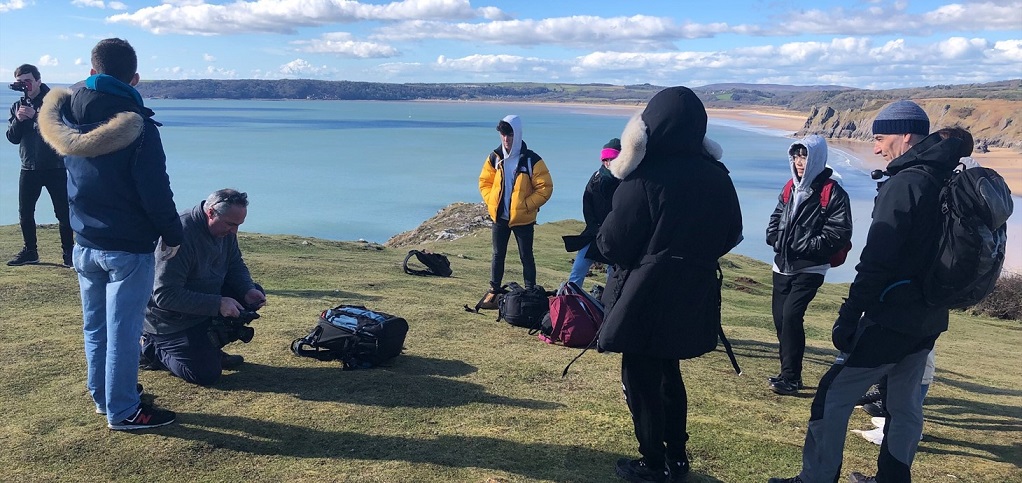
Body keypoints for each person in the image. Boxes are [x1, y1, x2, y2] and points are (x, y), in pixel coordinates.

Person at [770, 100, 963, 483]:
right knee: (904, 402)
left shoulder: (906, 183)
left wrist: (849, 315)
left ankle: (816, 478)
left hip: (891, 315)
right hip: (929, 316)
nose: (876, 147)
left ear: (905, 135)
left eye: (880, 137)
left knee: (832, 395)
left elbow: (876, 261)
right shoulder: (948, 177)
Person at [595, 87, 743, 483]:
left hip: (645, 293)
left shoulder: (644, 178)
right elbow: (732, 232)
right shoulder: (717, 176)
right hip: (693, 291)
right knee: (669, 374)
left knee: (642, 377)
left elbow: (611, 243)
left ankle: (653, 462)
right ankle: (677, 458)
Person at [37, 38, 183, 430]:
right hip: (128, 247)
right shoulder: (139, 128)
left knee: (96, 326)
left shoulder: (62, 121)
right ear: (134, 78)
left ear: (91, 72)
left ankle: (104, 398)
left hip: (84, 242)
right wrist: (173, 232)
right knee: (125, 330)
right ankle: (124, 410)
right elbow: (155, 190)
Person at [141, 189, 266, 386]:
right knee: (204, 374)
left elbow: (235, 264)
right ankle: (151, 348)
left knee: (249, 296)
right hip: (168, 319)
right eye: (231, 224)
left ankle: (210, 348)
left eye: (238, 225)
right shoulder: (179, 234)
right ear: (211, 213)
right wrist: (218, 303)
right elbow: (164, 295)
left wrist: (247, 289)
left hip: (201, 304)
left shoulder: (225, 231)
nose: (234, 232)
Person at [765, 135, 852, 396]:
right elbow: (776, 216)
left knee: (791, 316)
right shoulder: (790, 187)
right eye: (796, 156)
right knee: (781, 319)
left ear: (816, 158)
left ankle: (790, 378)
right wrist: (773, 238)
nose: (800, 162)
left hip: (810, 268)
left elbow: (839, 233)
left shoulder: (833, 192)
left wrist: (805, 246)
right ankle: (790, 374)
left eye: (804, 156)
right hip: (781, 265)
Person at [478, 115, 553, 299]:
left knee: (526, 256)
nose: (506, 139)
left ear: (517, 134)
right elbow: (484, 182)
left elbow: (545, 188)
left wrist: (526, 205)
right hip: (499, 218)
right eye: (503, 134)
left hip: (524, 219)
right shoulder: (494, 157)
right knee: (497, 255)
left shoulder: (532, 160)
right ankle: (494, 290)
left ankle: (530, 292)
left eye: (509, 134)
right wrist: (492, 202)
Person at [6, 64, 74, 267]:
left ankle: (69, 254)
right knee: (25, 212)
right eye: (21, 82)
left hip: (56, 166)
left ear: (38, 80)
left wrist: (36, 116)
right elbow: (12, 138)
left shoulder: (56, 103)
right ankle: (30, 251)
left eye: (28, 81)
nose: (25, 85)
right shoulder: (18, 106)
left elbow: (63, 129)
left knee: (63, 213)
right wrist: (19, 120)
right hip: (29, 167)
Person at [565, 137, 622, 288]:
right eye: (606, 159)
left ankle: (609, 304)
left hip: (614, 236)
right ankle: (570, 302)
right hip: (593, 233)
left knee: (613, 274)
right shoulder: (596, 177)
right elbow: (587, 202)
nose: (608, 162)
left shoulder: (626, 182)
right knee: (578, 269)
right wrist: (593, 226)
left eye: (612, 158)